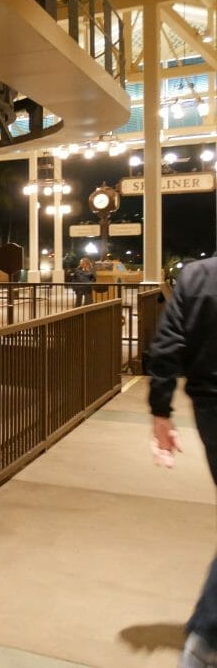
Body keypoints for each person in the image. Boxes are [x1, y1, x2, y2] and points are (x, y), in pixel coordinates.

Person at [148, 256, 217, 668]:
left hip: (210, 406)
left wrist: (161, 413)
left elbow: (167, 345)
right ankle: (206, 635)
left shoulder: (197, 275)